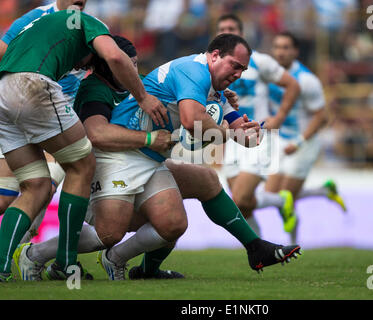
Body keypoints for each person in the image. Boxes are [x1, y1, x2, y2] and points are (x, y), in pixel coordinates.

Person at [16, 34, 301, 281]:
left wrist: (248, 133)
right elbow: (191, 122)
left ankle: (253, 248)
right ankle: (35, 253)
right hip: (116, 157)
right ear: (214, 56)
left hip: (149, 157)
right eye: (235, 66)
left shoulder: (210, 83)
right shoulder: (191, 71)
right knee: (108, 233)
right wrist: (226, 134)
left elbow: (230, 119)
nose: (238, 73)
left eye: (243, 69)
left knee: (179, 216)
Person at [0, 9, 166, 282]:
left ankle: (2, 265)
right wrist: (143, 96)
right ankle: (65, 263)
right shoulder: (87, 22)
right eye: (89, 63)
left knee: (35, 186)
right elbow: (114, 56)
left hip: (3, 93)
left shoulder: (35, 24)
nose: (81, 68)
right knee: (82, 165)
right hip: (32, 84)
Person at [0, 0, 87, 247]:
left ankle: (24, 252)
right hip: (18, 112)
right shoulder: (34, 19)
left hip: (56, 119)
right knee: (4, 199)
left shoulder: (89, 27)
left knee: (42, 188)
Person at [216, 14, 301, 235]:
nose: (227, 31)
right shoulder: (212, 65)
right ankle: (261, 248)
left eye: (231, 28)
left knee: (242, 197)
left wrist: (280, 117)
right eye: (222, 28)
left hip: (258, 136)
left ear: (241, 34)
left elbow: (292, 85)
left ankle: (282, 202)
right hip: (233, 139)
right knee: (240, 205)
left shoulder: (259, 61)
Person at [264, 31, 347, 243]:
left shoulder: (307, 80)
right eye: (277, 47)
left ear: (295, 51)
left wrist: (299, 142)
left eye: (285, 47)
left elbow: (322, 117)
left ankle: (292, 244)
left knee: (286, 197)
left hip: (304, 142)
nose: (280, 52)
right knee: (271, 194)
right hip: (281, 140)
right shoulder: (269, 76)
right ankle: (324, 191)